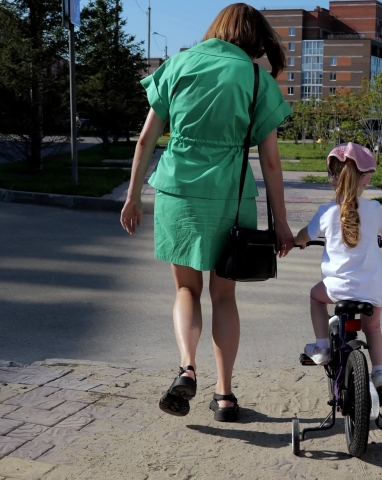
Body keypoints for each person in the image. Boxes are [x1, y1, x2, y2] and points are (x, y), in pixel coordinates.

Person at [120, 3, 294, 423]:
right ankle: (225, 396)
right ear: (252, 37)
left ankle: (186, 367)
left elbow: (146, 140)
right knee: (224, 297)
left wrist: (132, 196)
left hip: (177, 193)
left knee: (185, 291)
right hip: (230, 199)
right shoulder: (255, 78)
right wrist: (283, 223)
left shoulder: (177, 65)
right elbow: (270, 161)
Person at [294, 143, 382, 391]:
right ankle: (380, 373)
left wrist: (299, 242)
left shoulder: (327, 212)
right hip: (373, 289)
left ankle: (321, 346)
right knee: (372, 327)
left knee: (315, 297)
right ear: (365, 178)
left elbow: (302, 236)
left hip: (336, 289)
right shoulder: (374, 209)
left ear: (332, 178)